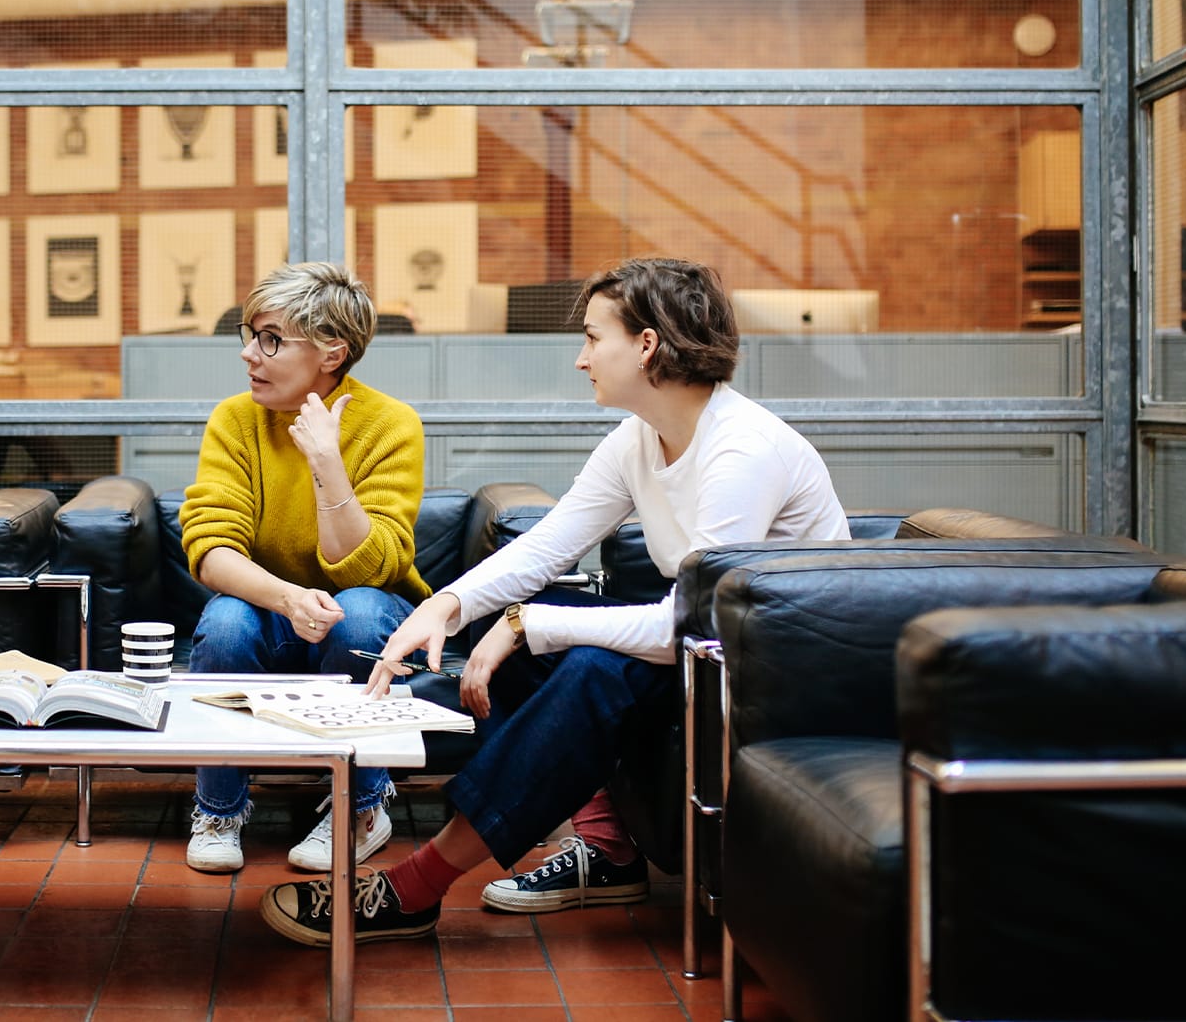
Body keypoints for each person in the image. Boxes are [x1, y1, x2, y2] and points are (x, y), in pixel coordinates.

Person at [259, 256, 849, 945]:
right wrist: (444, 607)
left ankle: (414, 887)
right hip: (715, 652)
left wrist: (528, 622)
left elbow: (693, 624)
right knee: (522, 642)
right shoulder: (641, 438)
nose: (581, 358)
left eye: (594, 337)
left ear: (647, 345)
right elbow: (548, 546)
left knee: (589, 664)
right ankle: (607, 850)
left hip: (780, 675)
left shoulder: (741, 451)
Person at [181, 261, 430, 874]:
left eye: (271, 340)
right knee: (227, 619)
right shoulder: (236, 420)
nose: (249, 354)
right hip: (271, 612)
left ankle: (361, 809)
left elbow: (369, 567)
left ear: (332, 353)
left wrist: (326, 462)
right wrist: (289, 600)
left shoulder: (391, 425)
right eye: (250, 335)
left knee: (361, 611)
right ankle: (218, 810)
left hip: (365, 614)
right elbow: (211, 550)